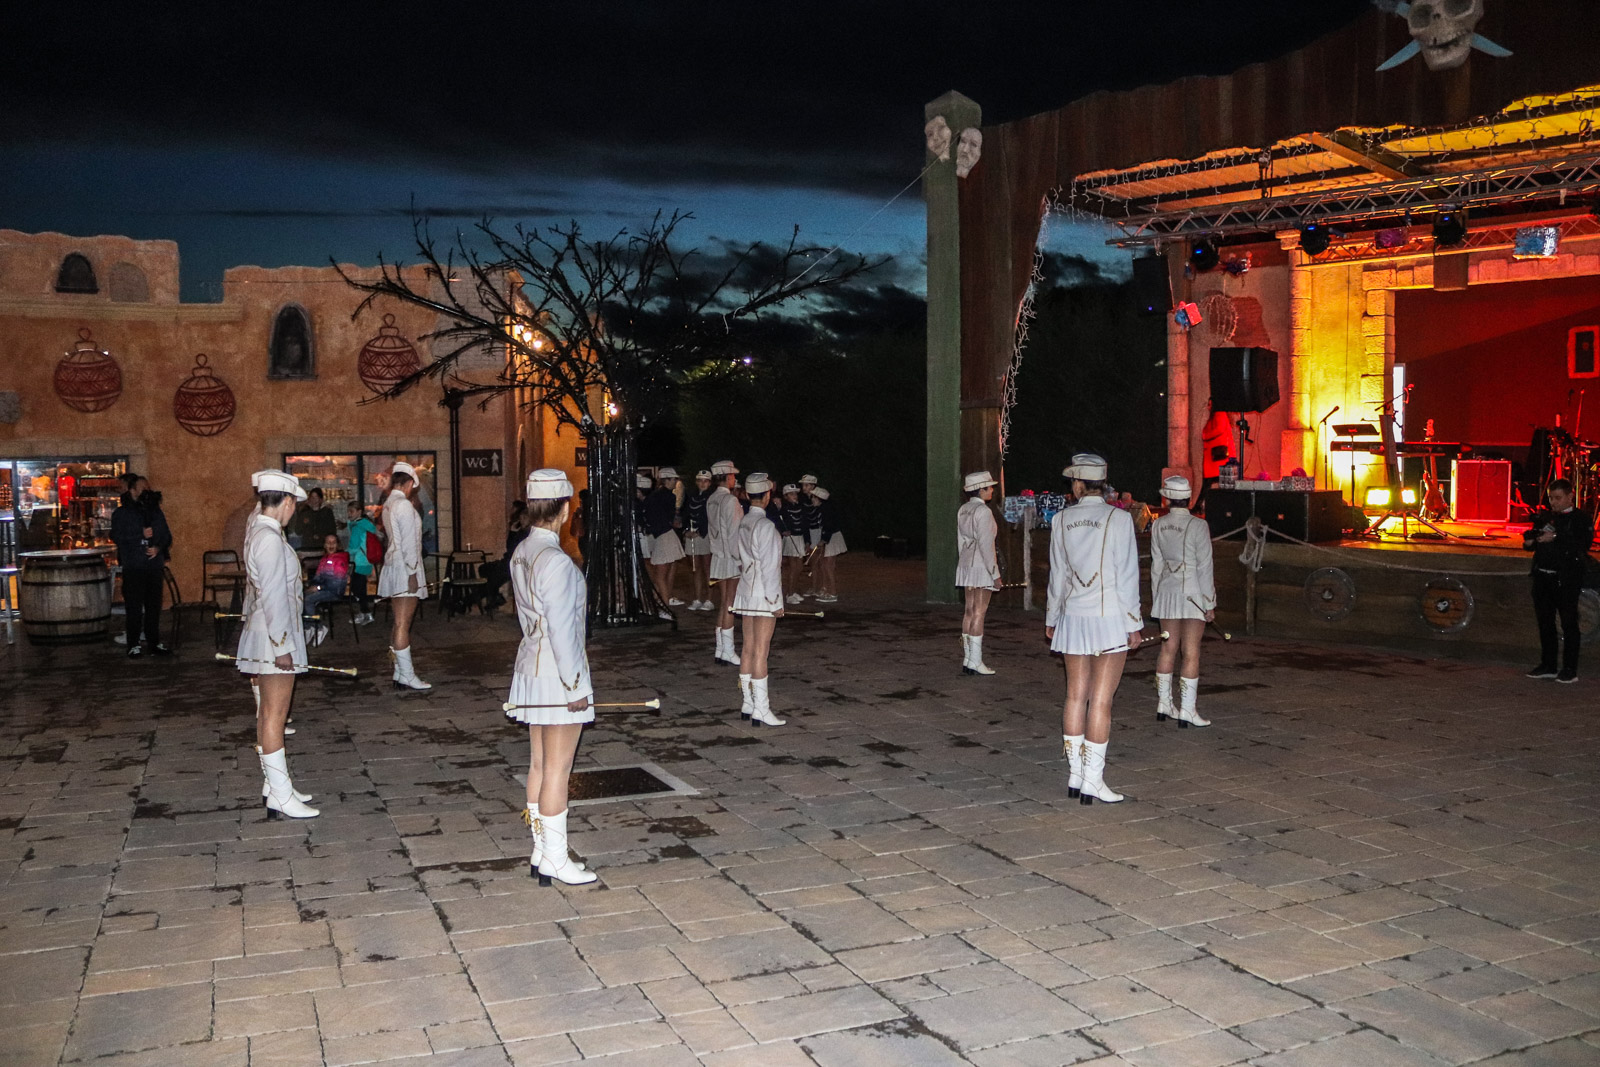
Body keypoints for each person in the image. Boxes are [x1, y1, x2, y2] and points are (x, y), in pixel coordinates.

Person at [509, 469, 598, 886]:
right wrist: (576, 685)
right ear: (564, 509)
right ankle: (556, 859)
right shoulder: (556, 561)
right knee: (558, 769)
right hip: (556, 672)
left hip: (531, 666)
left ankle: (541, 850)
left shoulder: (522, 551)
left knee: (539, 764)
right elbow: (563, 631)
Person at [1046, 453, 1143, 805]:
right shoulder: (1119, 518)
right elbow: (1127, 575)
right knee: (1101, 700)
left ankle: (1076, 775)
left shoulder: (1061, 519)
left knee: (1075, 695)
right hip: (1109, 619)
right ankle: (1092, 780)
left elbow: (1057, 575)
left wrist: (1052, 618)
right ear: (1102, 484)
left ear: (1077, 484)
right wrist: (1133, 623)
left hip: (1073, 617)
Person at [239, 469, 317, 819]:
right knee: (275, 714)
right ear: (285, 501)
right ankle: (281, 795)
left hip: (268, 631)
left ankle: (275, 785)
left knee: (268, 712)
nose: (293, 510)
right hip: (274, 635)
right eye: (293, 504)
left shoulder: (259, 530)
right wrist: (283, 646)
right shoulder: (269, 537)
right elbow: (272, 595)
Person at [1150, 475, 1216, 726]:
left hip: (1167, 592)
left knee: (1168, 648)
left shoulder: (1158, 524)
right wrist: (1209, 603)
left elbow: (1156, 566)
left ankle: (1164, 703)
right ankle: (1187, 710)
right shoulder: (1199, 526)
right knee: (1191, 652)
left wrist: (1157, 597)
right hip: (1193, 595)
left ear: (1166, 499)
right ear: (1189, 498)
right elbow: (1204, 567)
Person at [1524, 478, 1594, 683]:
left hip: (1566, 578)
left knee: (1569, 623)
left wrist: (1555, 537)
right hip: (1543, 576)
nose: (1553, 502)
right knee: (1545, 622)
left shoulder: (1581, 518)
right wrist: (1530, 541)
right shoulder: (1546, 517)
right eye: (1551, 498)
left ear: (1570, 496)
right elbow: (1533, 543)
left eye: (1558, 498)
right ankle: (1548, 664)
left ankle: (1570, 668)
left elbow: (1582, 544)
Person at [732, 473, 786, 726]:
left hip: (745, 591)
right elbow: (770, 567)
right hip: (763, 593)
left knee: (747, 648)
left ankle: (747, 703)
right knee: (761, 652)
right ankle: (761, 709)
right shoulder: (765, 526)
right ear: (767, 496)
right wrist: (775, 602)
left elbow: (738, 556)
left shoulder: (744, 521)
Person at [380, 462, 431, 690]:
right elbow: (409, 543)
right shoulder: (403, 505)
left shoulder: (388, 503)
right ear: (409, 483)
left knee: (398, 622)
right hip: (404, 566)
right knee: (403, 623)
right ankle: (408, 675)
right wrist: (412, 573)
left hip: (393, 564)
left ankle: (400, 672)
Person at [110, 472, 173, 657]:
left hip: (153, 567)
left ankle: (154, 643)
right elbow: (117, 536)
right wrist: (139, 534)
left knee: (153, 607)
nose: (147, 490)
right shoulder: (122, 513)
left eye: (148, 487)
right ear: (132, 491)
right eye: (143, 488)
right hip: (134, 567)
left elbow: (166, 535)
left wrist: (158, 548)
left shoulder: (155, 512)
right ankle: (133, 644)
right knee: (134, 608)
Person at [956, 470, 1001, 675]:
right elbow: (986, 545)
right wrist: (995, 573)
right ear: (980, 489)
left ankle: (968, 659)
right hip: (981, 566)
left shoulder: (963, 509)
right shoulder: (983, 511)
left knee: (969, 611)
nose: (991, 490)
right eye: (989, 487)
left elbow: (961, 541)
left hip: (966, 563)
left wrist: (963, 564)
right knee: (979, 612)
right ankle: (975, 661)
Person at [707, 460, 744, 664]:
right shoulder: (730, 500)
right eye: (733, 476)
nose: (734, 479)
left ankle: (720, 649)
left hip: (718, 556)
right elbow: (733, 533)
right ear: (728, 477)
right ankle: (728, 650)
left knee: (724, 602)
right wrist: (739, 559)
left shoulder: (711, 499)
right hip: (729, 556)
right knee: (730, 603)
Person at [645, 467, 686, 611]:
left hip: (661, 535)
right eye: (674, 479)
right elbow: (669, 518)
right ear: (666, 480)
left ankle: (662, 602)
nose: (675, 482)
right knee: (662, 575)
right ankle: (664, 605)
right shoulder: (668, 496)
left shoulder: (654, 496)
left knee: (661, 574)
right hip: (665, 535)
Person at [301, 533, 350, 647]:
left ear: (338, 545)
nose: (331, 545)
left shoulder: (339, 560)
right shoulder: (325, 559)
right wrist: (309, 585)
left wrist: (318, 588)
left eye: (334, 542)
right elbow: (318, 577)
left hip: (334, 591)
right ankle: (309, 627)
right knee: (301, 596)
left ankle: (319, 627)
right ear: (324, 545)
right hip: (325, 589)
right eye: (328, 542)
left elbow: (337, 583)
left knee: (308, 600)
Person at [683, 470, 713, 610]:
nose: (702, 483)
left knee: (707, 568)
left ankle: (709, 599)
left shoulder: (711, 497)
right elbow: (685, 514)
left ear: (710, 483)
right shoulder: (690, 496)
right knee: (695, 568)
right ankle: (697, 598)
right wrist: (686, 531)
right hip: (691, 534)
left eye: (705, 481)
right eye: (700, 480)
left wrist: (700, 532)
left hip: (704, 535)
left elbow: (711, 518)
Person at [345, 501, 379, 624]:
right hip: (365, 560)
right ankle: (365, 613)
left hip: (359, 561)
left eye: (351, 511)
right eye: (348, 511)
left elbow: (353, 546)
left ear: (359, 512)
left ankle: (365, 612)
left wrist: (345, 554)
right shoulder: (363, 525)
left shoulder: (358, 526)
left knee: (357, 588)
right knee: (360, 588)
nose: (349, 514)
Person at [813, 486, 845, 602]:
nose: (812, 499)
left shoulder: (826, 510)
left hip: (833, 538)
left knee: (828, 566)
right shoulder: (823, 509)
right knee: (827, 565)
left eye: (814, 497)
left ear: (819, 498)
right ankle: (828, 590)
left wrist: (824, 540)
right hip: (831, 537)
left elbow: (828, 526)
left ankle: (833, 593)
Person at [778, 484, 808, 604]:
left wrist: (807, 541)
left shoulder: (800, 506)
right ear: (786, 496)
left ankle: (793, 591)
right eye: (791, 494)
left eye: (795, 493)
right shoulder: (784, 508)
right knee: (793, 568)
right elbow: (779, 521)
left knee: (799, 567)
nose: (794, 496)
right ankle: (789, 594)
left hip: (800, 537)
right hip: (791, 539)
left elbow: (805, 524)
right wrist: (783, 530)